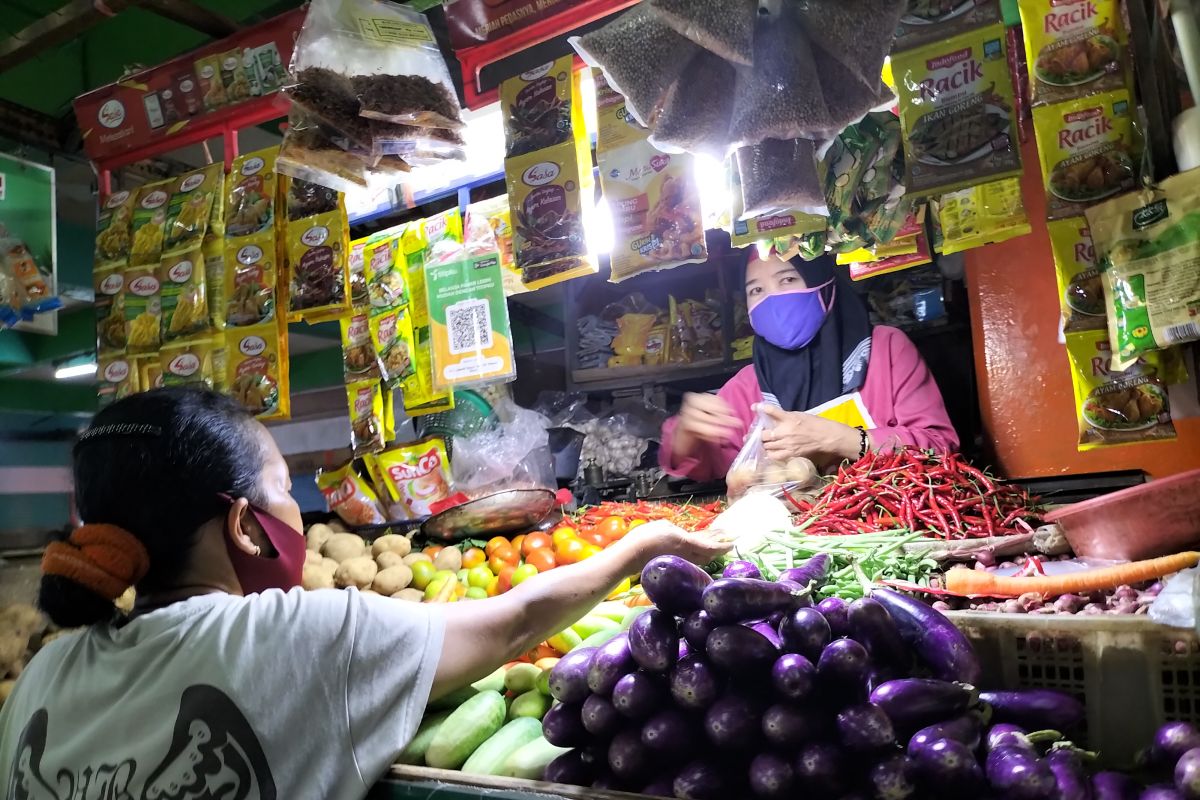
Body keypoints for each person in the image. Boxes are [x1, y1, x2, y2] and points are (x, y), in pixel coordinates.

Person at [0, 387, 731, 799]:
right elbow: (519, 619)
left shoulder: (40, 680)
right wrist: (640, 548)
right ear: (246, 528)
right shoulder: (297, 636)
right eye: (286, 492)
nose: (298, 513)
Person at [661, 250, 958, 482]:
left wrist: (839, 439)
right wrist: (686, 434)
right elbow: (708, 464)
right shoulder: (748, 385)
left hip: (891, 530)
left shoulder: (887, 350)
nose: (773, 298)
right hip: (794, 547)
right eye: (756, 290)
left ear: (824, 285)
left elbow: (940, 447)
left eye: (788, 279)